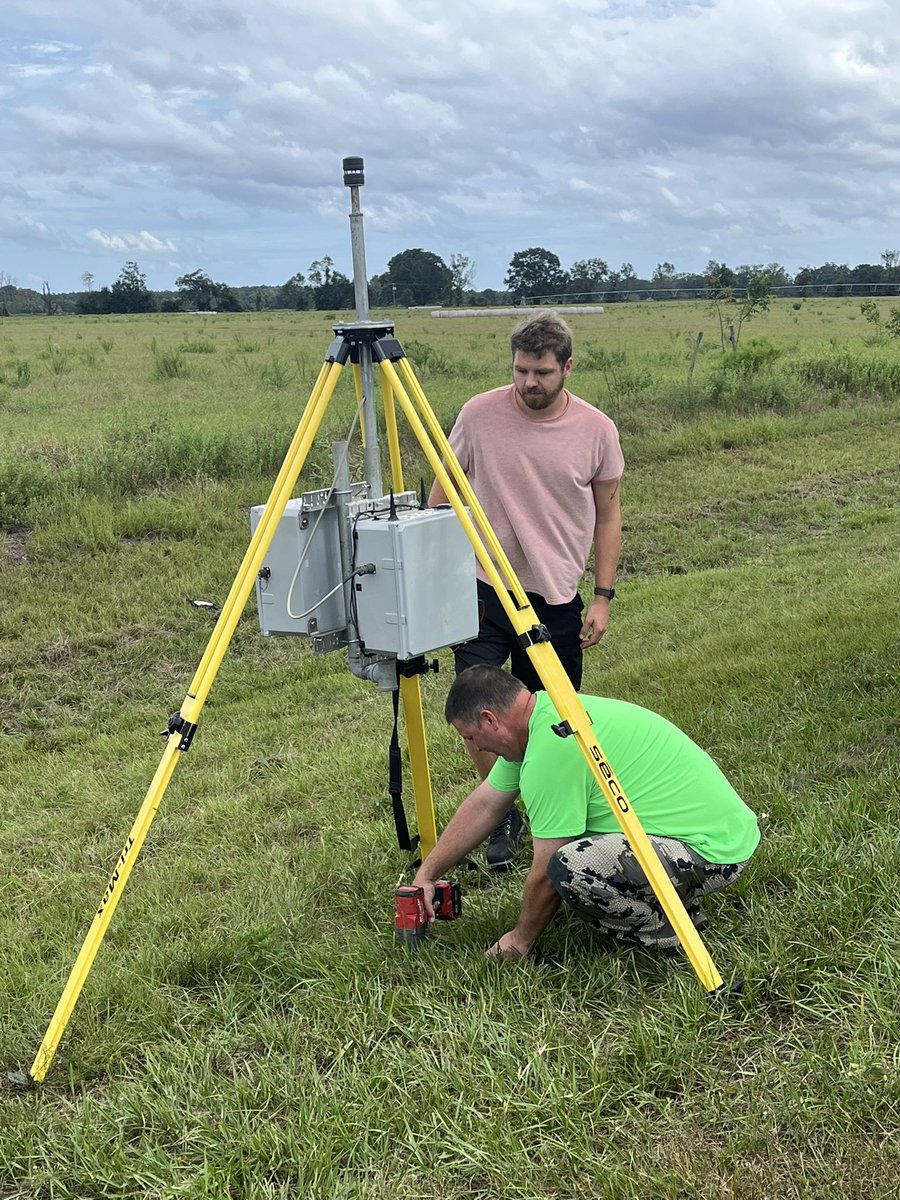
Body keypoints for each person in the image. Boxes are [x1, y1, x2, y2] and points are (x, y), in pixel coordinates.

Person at [429, 312, 624, 869]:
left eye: (541, 372)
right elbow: (445, 485)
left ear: (567, 367)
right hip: (484, 589)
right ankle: (501, 815)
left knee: (556, 718)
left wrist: (604, 594)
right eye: (520, 371)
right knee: (477, 706)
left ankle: (554, 810)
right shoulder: (478, 413)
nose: (529, 383)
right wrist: (434, 562)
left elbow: (608, 515)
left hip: (556, 594)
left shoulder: (597, 429)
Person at [412, 666, 760, 961]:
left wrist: (519, 940)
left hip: (712, 852)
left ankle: (668, 929)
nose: (476, 748)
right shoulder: (548, 715)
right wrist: (427, 873)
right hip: (718, 833)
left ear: (490, 720)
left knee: (569, 867)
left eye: (471, 737)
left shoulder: (552, 752)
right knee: (573, 861)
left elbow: (545, 875)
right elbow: (484, 805)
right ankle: (667, 900)